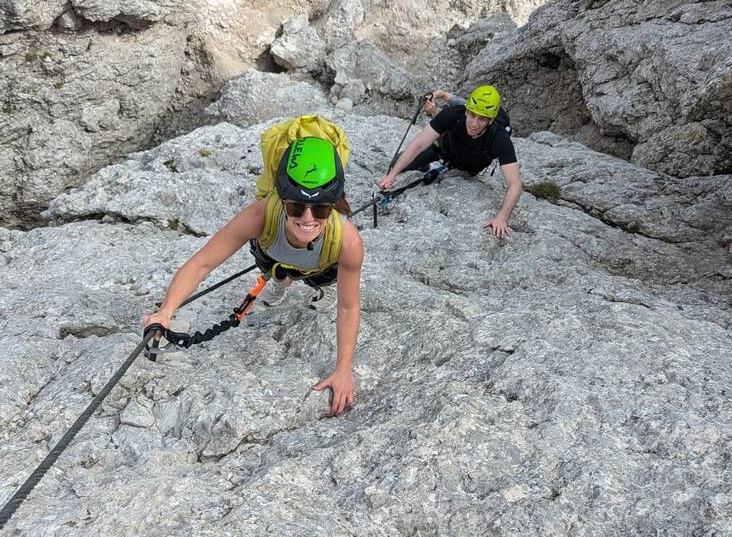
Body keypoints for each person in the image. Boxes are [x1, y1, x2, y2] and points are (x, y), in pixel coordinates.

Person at [142, 135, 365, 414]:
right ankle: (282, 279)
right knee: (275, 268)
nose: (308, 218)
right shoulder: (260, 216)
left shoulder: (347, 241)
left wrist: (343, 369)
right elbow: (202, 263)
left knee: (320, 277)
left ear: (332, 206)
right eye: (297, 206)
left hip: (321, 264)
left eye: (320, 209)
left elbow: (348, 305)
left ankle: (312, 283)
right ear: (283, 200)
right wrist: (166, 310)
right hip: (274, 256)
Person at [377, 84, 522, 239]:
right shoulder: (453, 114)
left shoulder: (499, 139)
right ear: (466, 110)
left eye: (482, 119)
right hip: (443, 150)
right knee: (396, 163)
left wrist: (501, 217)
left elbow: (515, 184)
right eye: (472, 115)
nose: (474, 123)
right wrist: (392, 175)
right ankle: (424, 166)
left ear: (491, 120)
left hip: (469, 167)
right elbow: (419, 144)